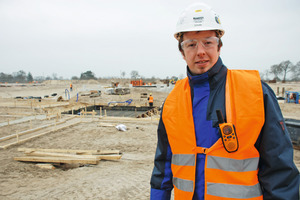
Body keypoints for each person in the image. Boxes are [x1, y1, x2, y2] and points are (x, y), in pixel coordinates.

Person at [150, 3, 299, 200]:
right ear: (182, 51)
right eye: (192, 44)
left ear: (219, 46)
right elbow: (163, 165)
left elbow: (279, 170)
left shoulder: (254, 92)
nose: (201, 51)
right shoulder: (173, 101)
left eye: (208, 42)